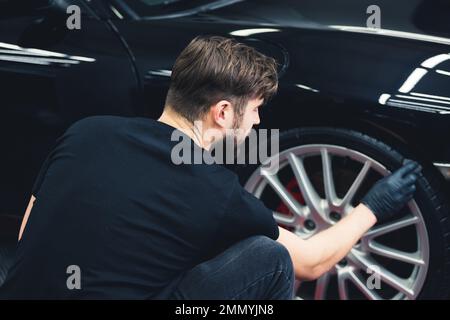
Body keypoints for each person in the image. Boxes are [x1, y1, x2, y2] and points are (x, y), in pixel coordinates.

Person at [0, 35, 421, 299]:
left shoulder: (87, 131)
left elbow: (29, 233)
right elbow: (310, 262)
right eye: (255, 109)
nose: (258, 122)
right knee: (269, 256)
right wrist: (374, 205)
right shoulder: (213, 191)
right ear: (222, 112)